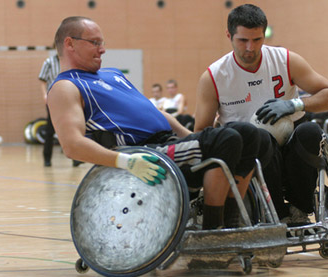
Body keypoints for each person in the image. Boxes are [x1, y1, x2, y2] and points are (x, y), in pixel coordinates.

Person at [48, 16, 265, 230]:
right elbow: (72, 145)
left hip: (170, 142)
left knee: (248, 133)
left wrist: (188, 136)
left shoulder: (112, 74)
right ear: (70, 43)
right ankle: (213, 230)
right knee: (227, 139)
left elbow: (154, 113)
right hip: (146, 153)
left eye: (102, 43)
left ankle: (232, 218)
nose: (102, 49)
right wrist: (127, 161)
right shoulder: (66, 87)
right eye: (95, 43)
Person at [194, 4, 328, 224]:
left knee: (311, 130)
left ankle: (299, 211)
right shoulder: (214, 77)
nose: (250, 48)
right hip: (249, 156)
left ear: (264, 35)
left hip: (290, 144)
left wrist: (294, 104)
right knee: (260, 138)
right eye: (242, 40)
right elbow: (201, 130)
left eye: (257, 40)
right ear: (229, 35)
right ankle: (277, 215)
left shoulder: (285, 60)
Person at [38, 49, 60, 167]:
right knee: (50, 130)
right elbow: (42, 80)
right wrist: (44, 94)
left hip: (67, 99)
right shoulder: (49, 62)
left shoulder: (68, 61)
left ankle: (75, 159)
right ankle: (47, 158)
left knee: (70, 128)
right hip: (52, 99)